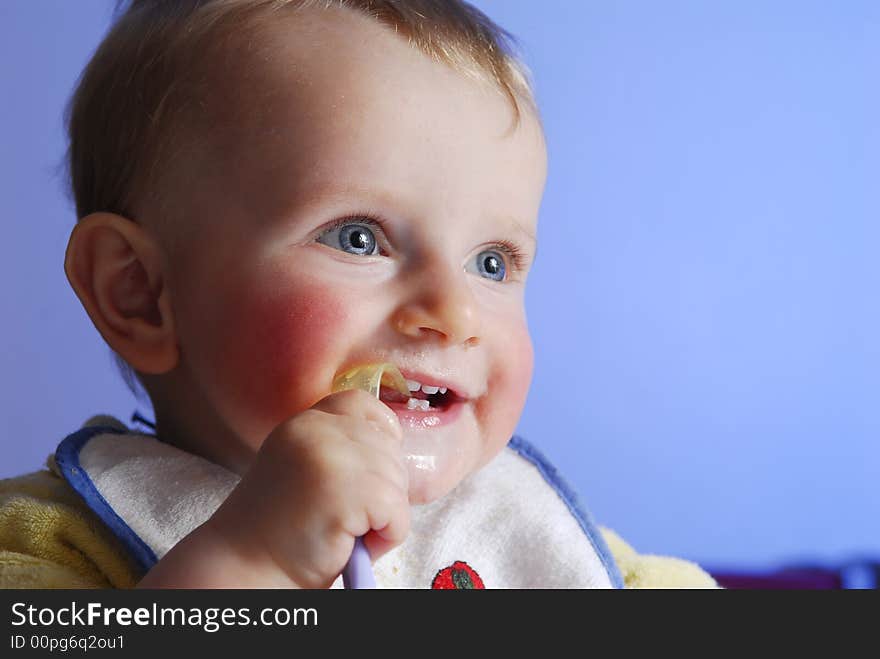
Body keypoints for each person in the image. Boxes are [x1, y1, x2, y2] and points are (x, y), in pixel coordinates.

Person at [0, 0, 716, 589]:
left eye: (492, 262)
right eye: (357, 238)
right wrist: (253, 561)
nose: (454, 312)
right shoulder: (50, 542)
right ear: (140, 292)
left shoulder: (532, 530)